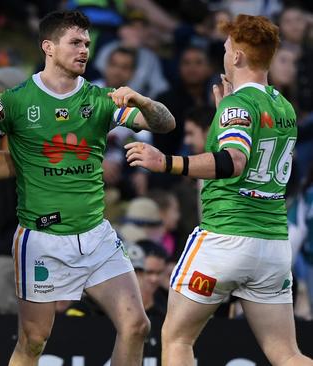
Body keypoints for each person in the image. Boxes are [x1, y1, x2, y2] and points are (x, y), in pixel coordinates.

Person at [124, 14, 313, 366]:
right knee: (287, 354)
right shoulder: (283, 106)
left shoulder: (238, 104)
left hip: (225, 238)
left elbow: (233, 162)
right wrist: (223, 113)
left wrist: (164, 161)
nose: (225, 54)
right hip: (272, 245)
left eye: (227, 48)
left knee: (176, 338)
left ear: (238, 57)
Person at [0, 10, 175, 365]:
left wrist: (145, 102)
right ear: (48, 47)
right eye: (75, 42)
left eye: (87, 44)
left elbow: (165, 124)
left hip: (95, 237)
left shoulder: (102, 99)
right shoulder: (13, 100)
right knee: (34, 341)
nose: (84, 50)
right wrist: (20, 163)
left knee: (136, 325)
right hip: (41, 238)